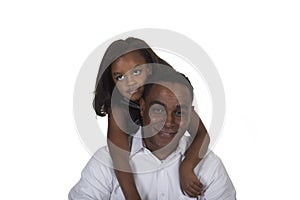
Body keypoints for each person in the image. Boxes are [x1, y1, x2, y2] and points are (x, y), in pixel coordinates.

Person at [69, 68, 236, 199]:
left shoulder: (209, 166)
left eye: (179, 112)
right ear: (142, 108)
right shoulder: (106, 162)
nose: (168, 122)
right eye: (158, 110)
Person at [92, 37, 209, 199]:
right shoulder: (118, 106)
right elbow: (119, 157)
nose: (130, 82)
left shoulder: (168, 92)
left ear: (150, 69)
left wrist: (186, 168)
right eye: (120, 77)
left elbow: (202, 134)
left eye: (136, 71)